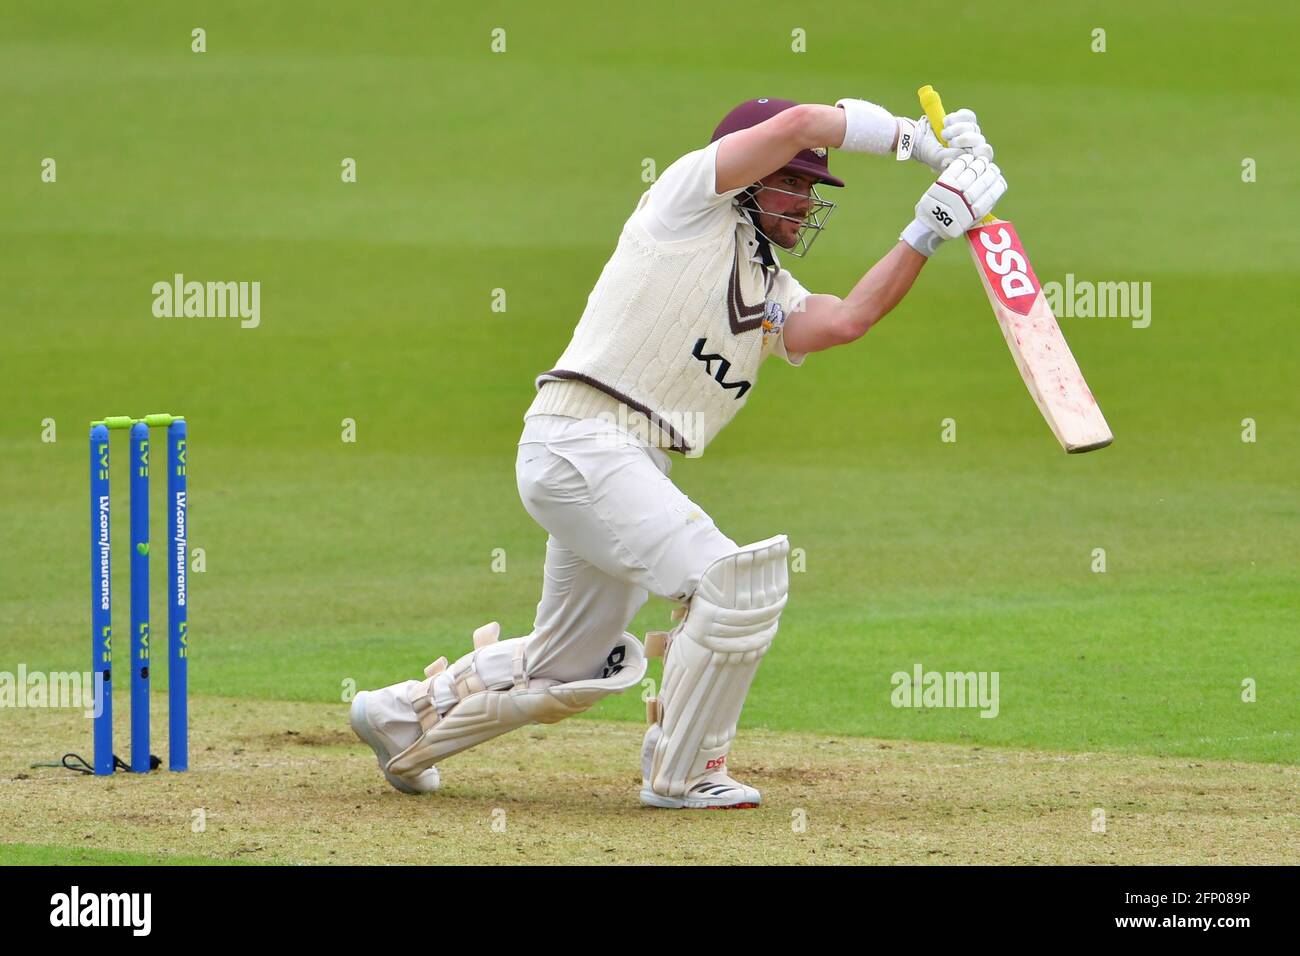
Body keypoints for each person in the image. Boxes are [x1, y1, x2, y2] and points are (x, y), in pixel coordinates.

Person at [350, 96, 1006, 808]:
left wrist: (932, 224)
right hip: (585, 440)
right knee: (732, 583)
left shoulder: (769, 283)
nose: (807, 199)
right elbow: (801, 124)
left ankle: (400, 715)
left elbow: (849, 319)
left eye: (814, 187)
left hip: (623, 463)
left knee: (568, 666)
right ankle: (683, 772)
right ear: (753, 173)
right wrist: (920, 145)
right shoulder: (689, 197)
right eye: (796, 182)